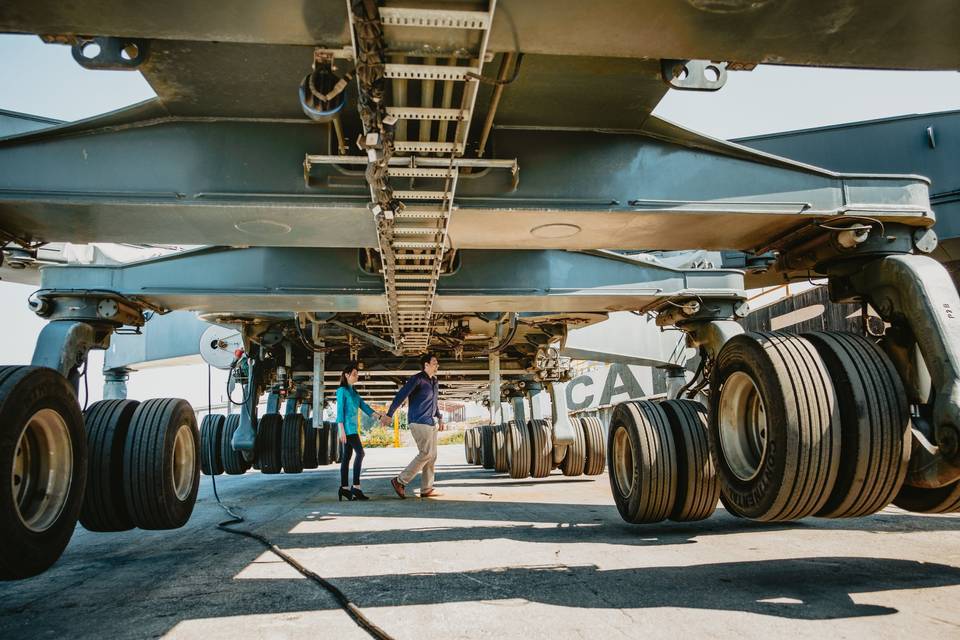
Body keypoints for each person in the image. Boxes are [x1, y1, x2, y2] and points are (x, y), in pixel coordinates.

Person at [382, 353, 444, 498]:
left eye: (437, 363)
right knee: (426, 453)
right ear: (426, 365)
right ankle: (400, 481)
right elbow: (401, 395)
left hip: (430, 422)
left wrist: (439, 417)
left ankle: (426, 489)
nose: (437, 365)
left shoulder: (434, 381)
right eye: (434, 363)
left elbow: (434, 403)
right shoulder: (417, 379)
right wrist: (390, 414)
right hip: (418, 421)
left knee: (432, 456)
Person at [335, 362, 385, 501]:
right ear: (346, 375)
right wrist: (341, 430)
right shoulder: (342, 391)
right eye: (354, 374)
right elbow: (339, 412)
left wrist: (380, 417)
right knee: (360, 453)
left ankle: (344, 488)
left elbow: (366, 408)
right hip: (347, 430)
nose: (357, 376)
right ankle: (356, 487)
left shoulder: (354, 392)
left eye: (357, 374)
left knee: (346, 458)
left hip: (352, 429)